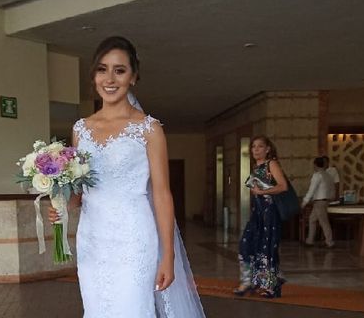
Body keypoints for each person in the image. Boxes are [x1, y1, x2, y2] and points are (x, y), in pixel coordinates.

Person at [49, 36, 205, 318]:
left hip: (134, 237)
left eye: (119, 70)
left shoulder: (148, 128)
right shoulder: (80, 129)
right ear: (94, 76)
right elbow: (80, 191)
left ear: (133, 77)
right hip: (92, 238)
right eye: (102, 69)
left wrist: (167, 255)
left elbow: (161, 193)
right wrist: (63, 205)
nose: (109, 78)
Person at [235, 135, 288, 299]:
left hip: (270, 213)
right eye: (253, 147)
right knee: (246, 244)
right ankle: (249, 281)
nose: (256, 150)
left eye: (259, 147)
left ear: (267, 149)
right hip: (257, 213)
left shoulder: (271, 164)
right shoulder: (255, 167)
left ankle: (271, 285)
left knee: (267, 248)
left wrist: (262, 191)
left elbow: (283, 186)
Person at [302, 156, 335, 248]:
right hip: (324, 201)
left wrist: (304, 202)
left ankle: (330, 242)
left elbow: (311, 190)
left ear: (315, 165)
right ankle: (309, 241)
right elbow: (332, 189)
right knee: (312, 219)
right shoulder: (328, 175)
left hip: (319, 202)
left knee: (324, 222)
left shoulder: (317, 175)